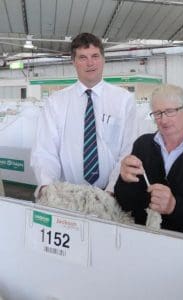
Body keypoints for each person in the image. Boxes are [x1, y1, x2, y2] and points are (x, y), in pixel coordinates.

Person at [31, 32, 137, 197]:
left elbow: (128, 149)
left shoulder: (124, 100)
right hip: (67, 196)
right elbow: (45, 151)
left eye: (95, 56)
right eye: (82, 57)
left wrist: (112, 189)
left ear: (103, 59)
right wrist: (48, 187)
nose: (90, 63)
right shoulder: (55, 103)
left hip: (112, 194)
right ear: (73, 62)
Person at [114, 84, 183, 238]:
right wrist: (124, 180)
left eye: (170, 111)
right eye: (157, 113)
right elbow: (126, 203)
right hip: (144, 240)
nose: (163, 120)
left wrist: (174, 206)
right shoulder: (143, 145)